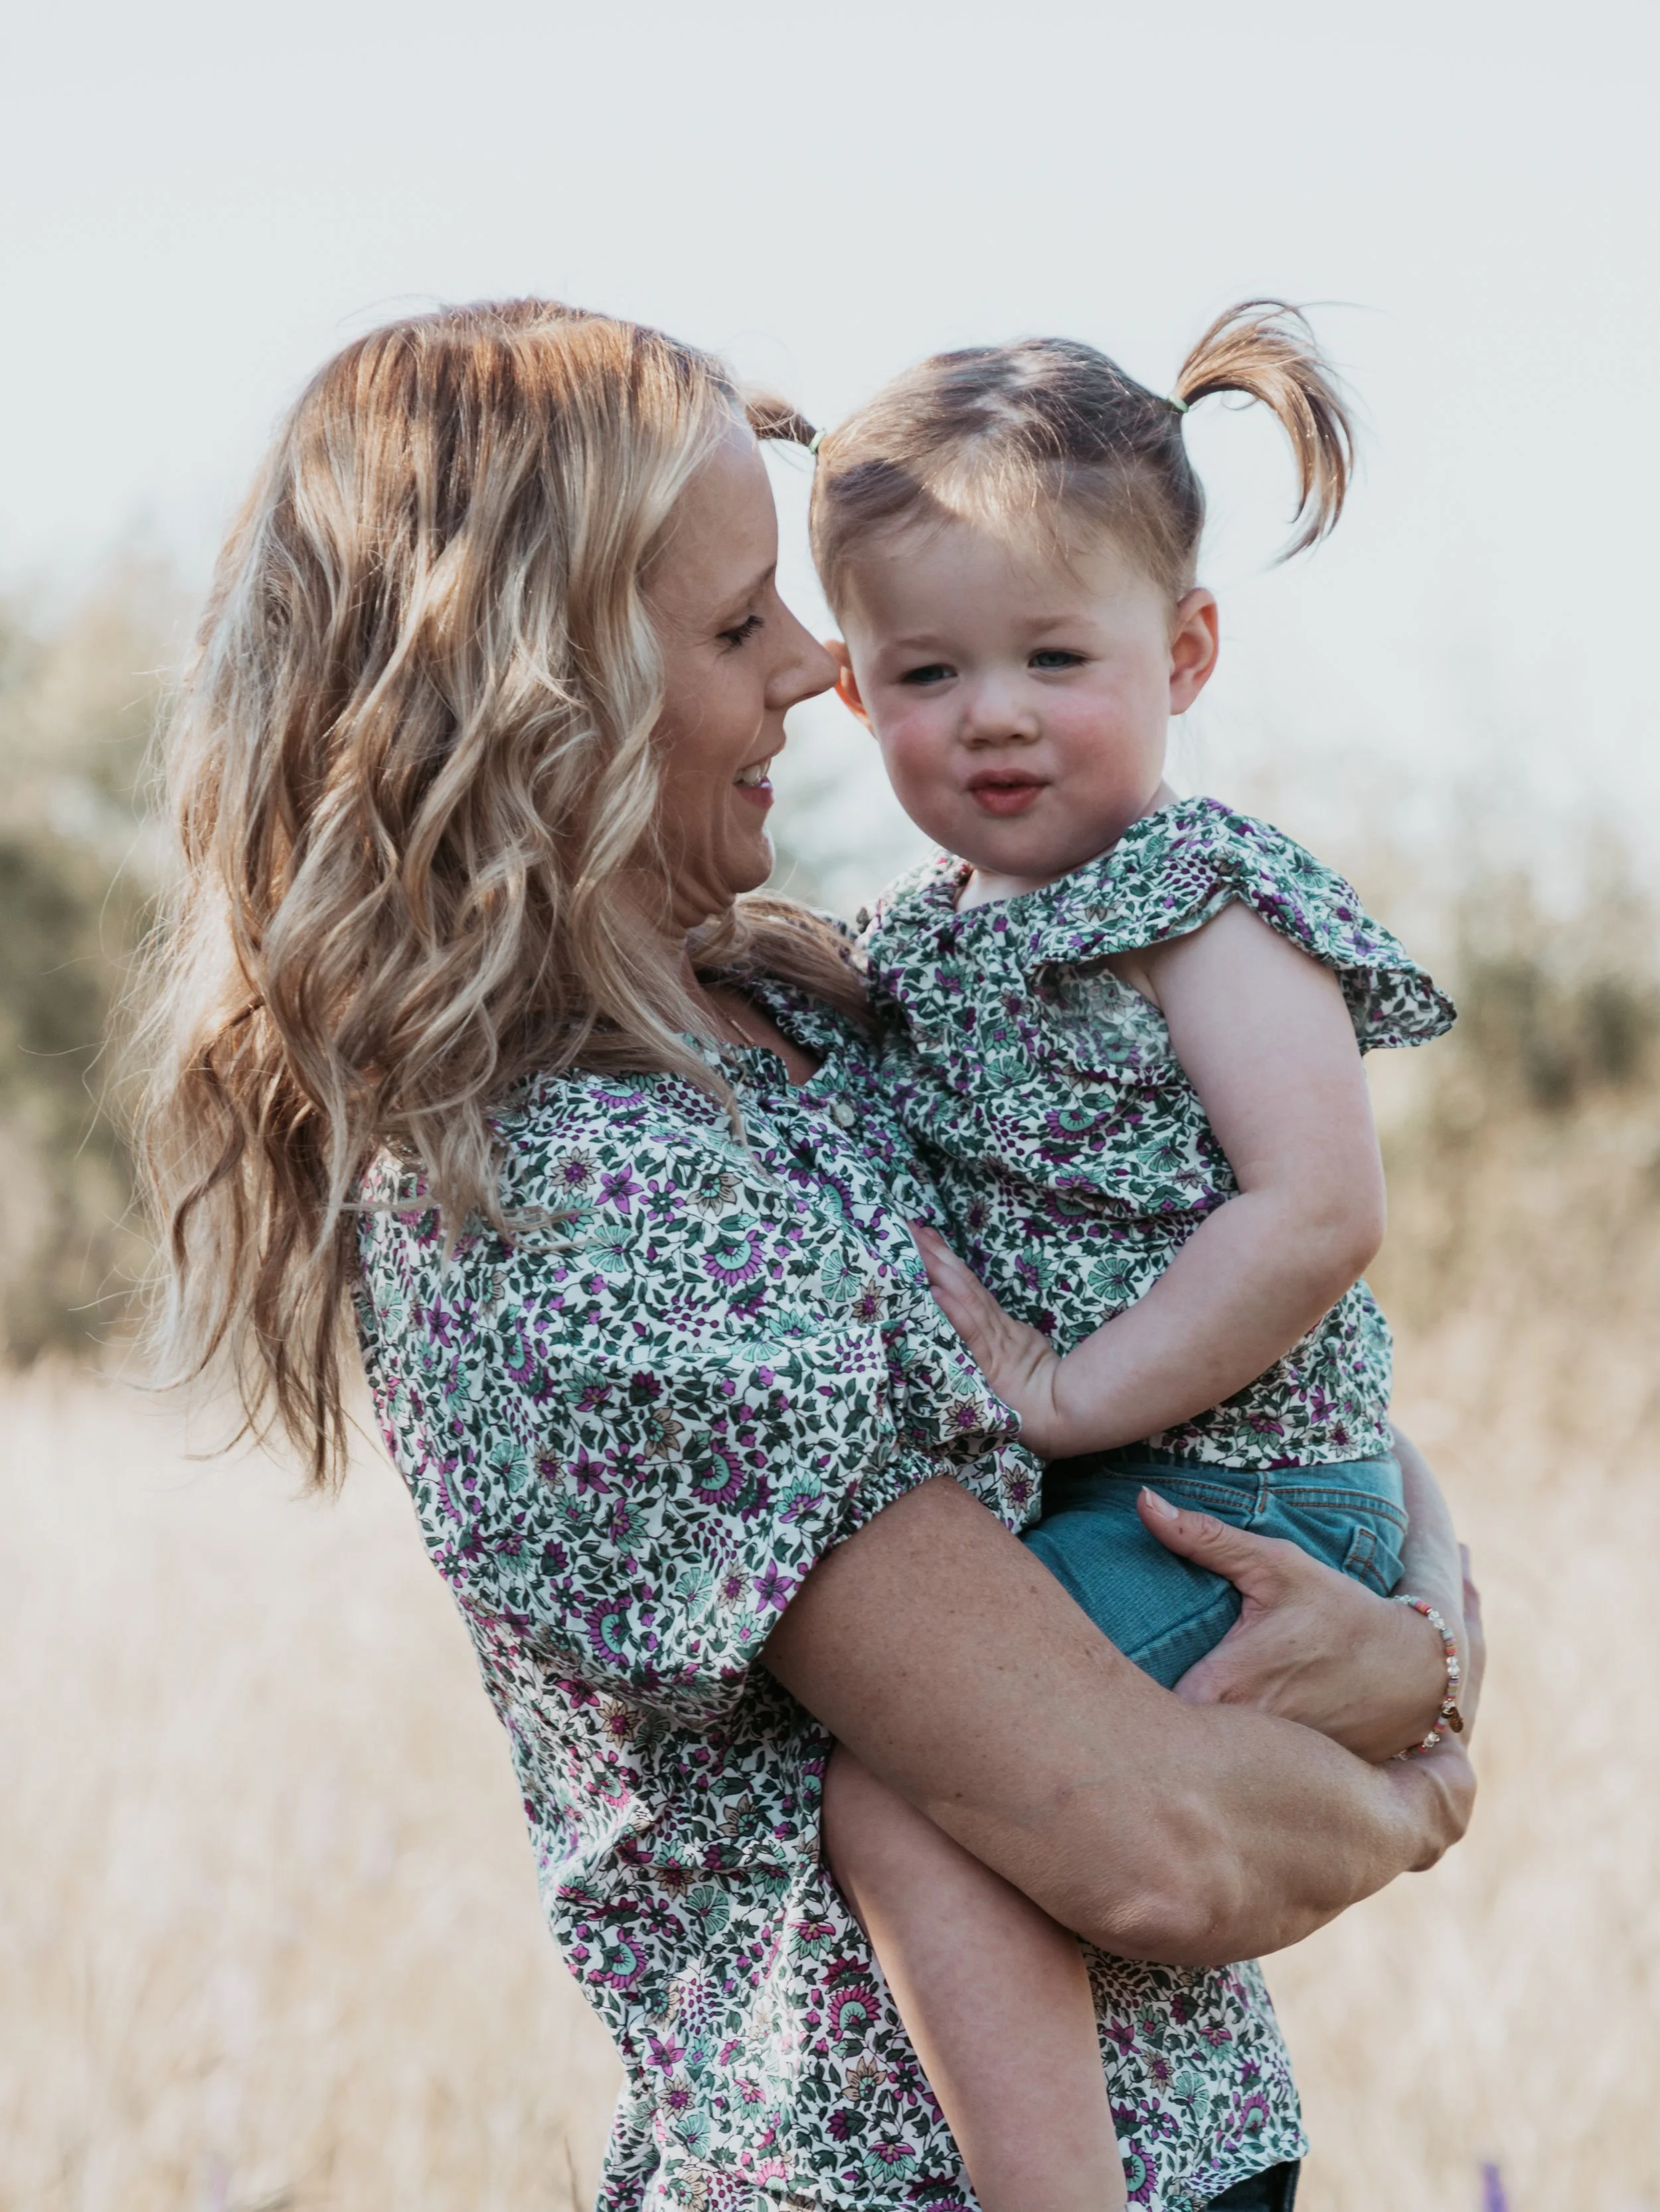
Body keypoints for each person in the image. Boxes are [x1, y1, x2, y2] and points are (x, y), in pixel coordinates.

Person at [134, 299, 1479, 2212]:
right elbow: (1152, 1842)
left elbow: (1256, 1317)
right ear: (553, 685)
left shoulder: (808, 1009)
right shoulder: (583, 1194)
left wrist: (1409, 1620)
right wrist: (1425, 1773)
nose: (814, 667)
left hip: (1187, 2130)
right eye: (739, 621)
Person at [809, 303, 1469, 2212]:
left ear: (1180, 650)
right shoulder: (920, 938)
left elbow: (1315, 1207)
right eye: (925, 670)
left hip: (1237, 1491)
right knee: (998, 1790)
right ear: (852, 695)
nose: (991, 711)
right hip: (1127, 1492)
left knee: (905, 1795)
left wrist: (1065, 1387)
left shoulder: (1203, 907)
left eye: (1052, 655)